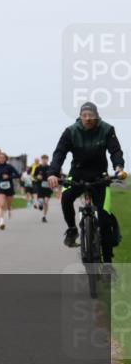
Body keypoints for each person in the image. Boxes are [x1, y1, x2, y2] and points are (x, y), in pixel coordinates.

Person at [48, 102, 126, 256]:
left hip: (100, 176)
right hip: (77, 174)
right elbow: (59, 153)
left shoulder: (107, 129)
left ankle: (108, 264)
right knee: (66, 198)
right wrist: (53, 173)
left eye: (91, 115)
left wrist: (118, 167)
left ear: (96, 116)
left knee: (104, 220)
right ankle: (72, 229)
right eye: (84, 115)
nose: (88, 118)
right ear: (80, 117)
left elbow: (115, 151)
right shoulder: (70, 131)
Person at [0, 152, 20, 227]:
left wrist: (9, 177)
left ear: (6, 159)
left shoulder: (9, 167)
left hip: (9, 188)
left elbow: (18, 175)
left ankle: (10, 209)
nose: (2, 159)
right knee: (2, 204)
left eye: (3, 158)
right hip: (0, 188)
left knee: (9, 204)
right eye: (0, 158)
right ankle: (1, 222)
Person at [32, 153, 52, 222]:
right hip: (40, 186)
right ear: (41, 160)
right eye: (43, 159)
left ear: (47, 160)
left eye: (46, 159)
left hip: (48, 187)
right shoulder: (38, 168)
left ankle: (44, 216)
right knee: (41, 201)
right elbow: (34, 176)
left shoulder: (50, 168)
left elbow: (53, 175)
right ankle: (40, 204)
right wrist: (37, 177)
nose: (44, 161)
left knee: (46, 202)